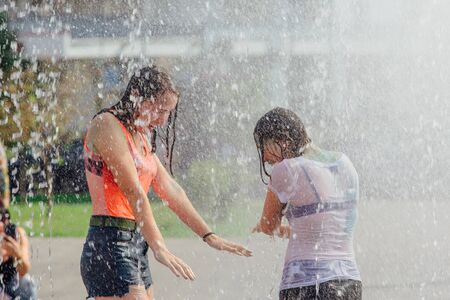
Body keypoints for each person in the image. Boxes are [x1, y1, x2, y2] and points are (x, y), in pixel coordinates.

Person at [80, 65, 252, 300]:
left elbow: (171, 190)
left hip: (136, 243)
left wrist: (208, 235)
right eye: (159, 109)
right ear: (137, 96)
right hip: (109, 242)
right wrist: (161, 247)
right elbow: (134, 192)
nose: (162, 120)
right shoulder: (107, 125)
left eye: (168, 112)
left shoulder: (140, 135)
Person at [252, 107, 362, 300]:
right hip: (349, 282)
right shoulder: (346, 163)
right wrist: (292, 230)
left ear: (282, 141)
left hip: (306, 283)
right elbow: (329, 223)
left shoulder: (286, 169)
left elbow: (268, 225)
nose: (264, 157)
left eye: (264, 148)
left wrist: (266, 227)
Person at [0, 142, 36, 300]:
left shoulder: (15, 233)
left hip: (9, 292)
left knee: (27, 284)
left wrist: (17, 254)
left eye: (3, 218)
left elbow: (24, 269)